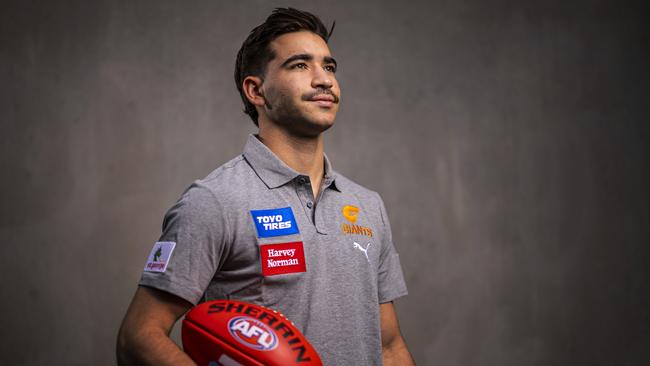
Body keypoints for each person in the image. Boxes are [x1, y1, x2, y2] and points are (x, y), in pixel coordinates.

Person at [116, 8, 414, 366]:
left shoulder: (368, 205)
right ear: (256, 90)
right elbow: (138, 337)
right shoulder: (216, 201)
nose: (324, 80)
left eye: (329, 66)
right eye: (300, 65)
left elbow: (389, 346)